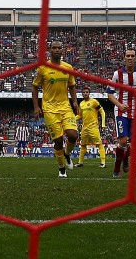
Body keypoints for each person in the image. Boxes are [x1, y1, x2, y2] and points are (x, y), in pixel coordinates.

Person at [32, 40, 79, 178]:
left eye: (59, 47)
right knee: (58, 140)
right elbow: (35, 88)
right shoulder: (42, 68)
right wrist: (36, 106)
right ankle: (61, 168)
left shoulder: (68, 67)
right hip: (49, 108)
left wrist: (75, 102)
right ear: (50, 50)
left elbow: (72, 86)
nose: (57, 50)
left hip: (65, 106)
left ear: (62, 50)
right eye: (54, 48)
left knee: (73, 135)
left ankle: (67, 154)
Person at [106, 48, 136, 178]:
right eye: (128, 56)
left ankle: (125, 159)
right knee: (123, 141)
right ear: (124, 58)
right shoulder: (117, 74)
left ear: (135, 58)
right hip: (121, 111)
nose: (130, 58)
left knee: (135, 143)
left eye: (132, 56)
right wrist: (119, 104)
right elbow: (109, 94)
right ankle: (116, 168)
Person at [77, 87, 107, 169]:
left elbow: (102, 111)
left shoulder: (94, 102)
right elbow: (80, 116)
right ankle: (80, 162)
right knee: (83, 145)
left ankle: (103, 163)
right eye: (84, 92)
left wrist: (103, 124)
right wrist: (71, 119)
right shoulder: (81, 104)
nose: (85, 93)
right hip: (84, 128)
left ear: (89, 93)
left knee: (99, 144)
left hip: (93, 127)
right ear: (82, 93)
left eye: (86, 92)